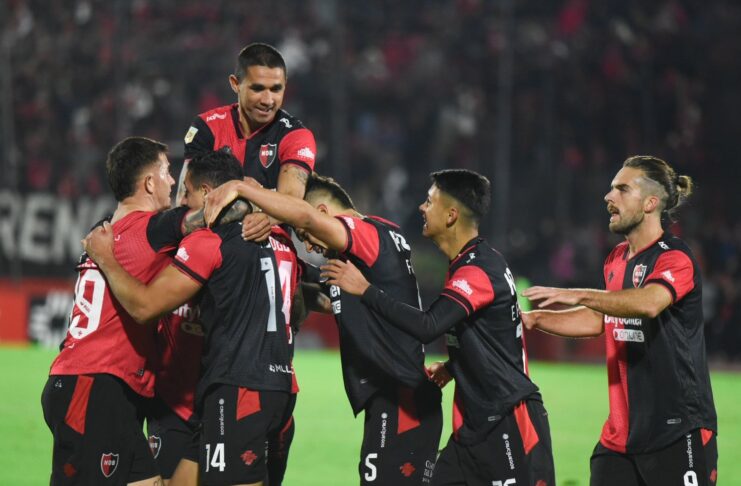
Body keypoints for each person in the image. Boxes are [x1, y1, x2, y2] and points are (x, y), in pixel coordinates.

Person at [203, 173, 443, 485]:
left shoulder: (364, 232)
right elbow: (329, 296)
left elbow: (304, 215)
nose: (308, 244)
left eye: (306, 233)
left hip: (400, 402)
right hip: (398, 397)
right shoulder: (372, 245)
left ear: (324, 215)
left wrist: (242, 188)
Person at [321, 169, 556, 486]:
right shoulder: (471, 263)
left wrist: (365, 290)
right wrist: (455, 365)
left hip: (508, 423)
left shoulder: (477, 269)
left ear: (451, 215)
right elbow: (490, 336)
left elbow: (429, 325)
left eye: (429, 201)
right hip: (472, 431)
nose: (422, 207)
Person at [83, 149, 301, 486]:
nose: (178, 198)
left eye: (185, 190)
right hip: (273, 389)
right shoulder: (277, 238)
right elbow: (298, 302)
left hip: (229, 389)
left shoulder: (205, 240)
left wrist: (107, 259)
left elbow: (144, 307)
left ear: (205, 193)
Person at [521, 156, 718, 486]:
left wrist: (580, 294)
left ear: (650, 203)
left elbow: (651, 302)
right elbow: (602, 318)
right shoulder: (615, 259)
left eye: (622, 189)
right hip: (619, 440)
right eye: (612, 188)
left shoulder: (675, 257)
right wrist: (534, 319)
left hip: (677, 431)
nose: (608, 197)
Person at [41, 136, 184, 485]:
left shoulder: (103, 234)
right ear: (149, 182)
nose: (172, 181)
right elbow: (204, 217)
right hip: (95, 387)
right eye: (167, 172)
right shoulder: (152, 230)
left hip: (98, 386)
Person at [179, 41, 317, 240]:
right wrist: (260, 204)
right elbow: (186, 201)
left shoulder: (295, 136)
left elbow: (293, 203)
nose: (268, 100)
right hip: (209, 246)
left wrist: (266, 217)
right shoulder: (206, 127)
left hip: (270, 252)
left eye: (276, 89)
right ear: (235, 84)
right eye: (258, 89)